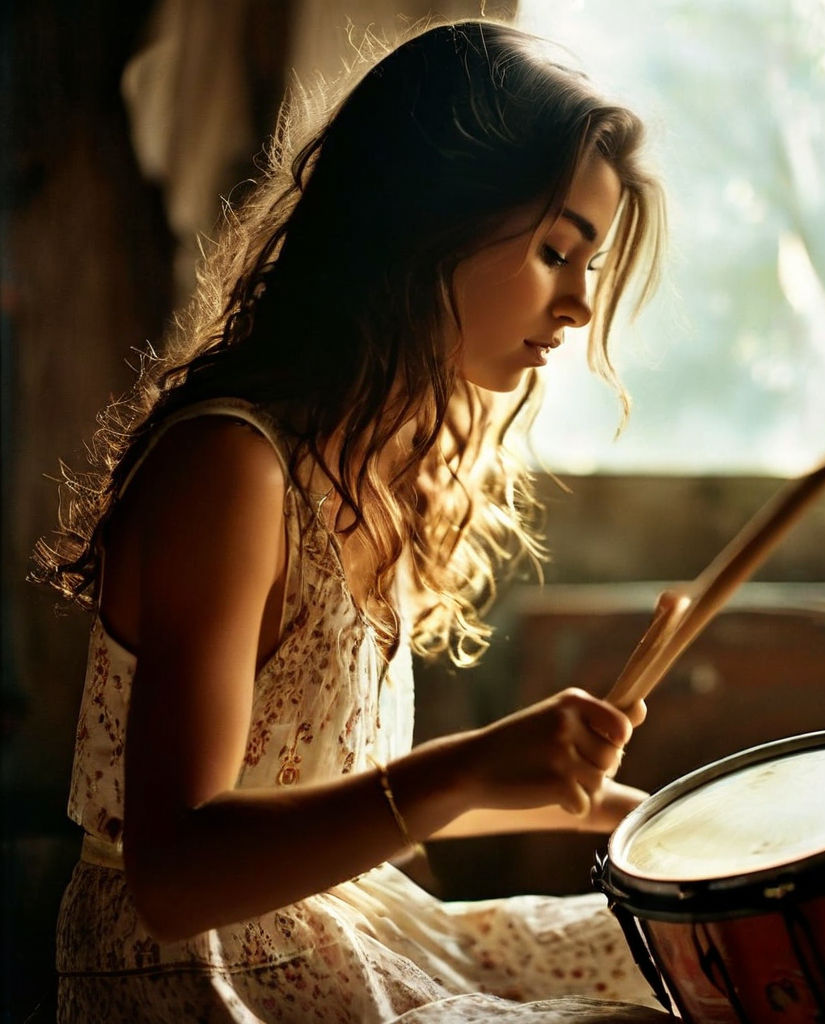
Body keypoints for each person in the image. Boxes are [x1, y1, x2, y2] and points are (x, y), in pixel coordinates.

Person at [36, 18, 668, 1023]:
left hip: (339, 923)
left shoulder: (382, 464)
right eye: (556, 250)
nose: (580, 305)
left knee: (681, 956)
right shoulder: (230, 469)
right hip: (201, 977)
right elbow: (173, 877)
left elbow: (336, 793)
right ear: (429, 222)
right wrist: (470, 763)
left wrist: (654, 820)